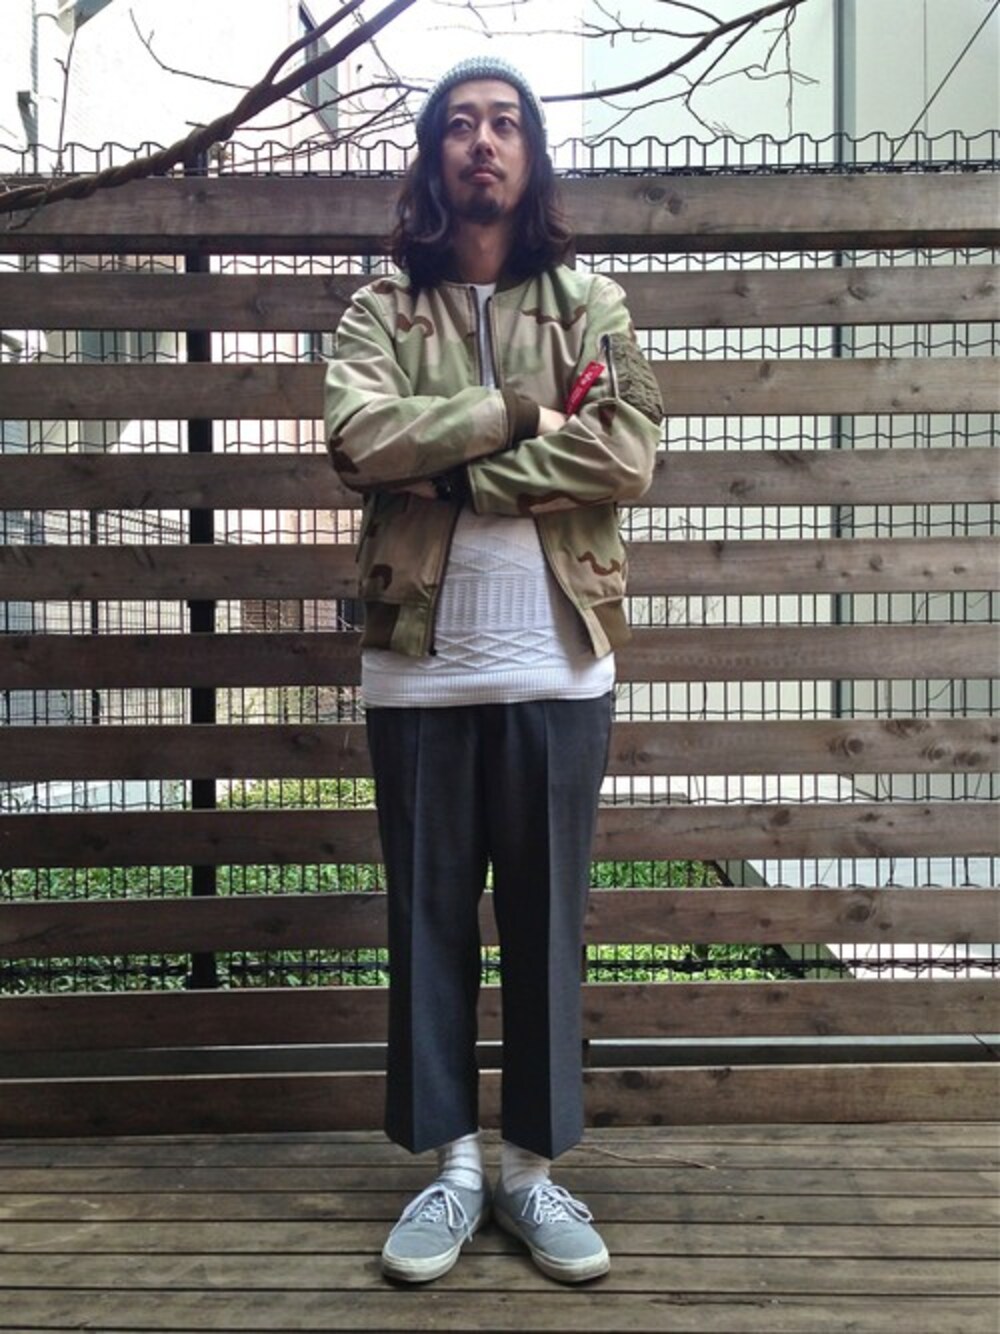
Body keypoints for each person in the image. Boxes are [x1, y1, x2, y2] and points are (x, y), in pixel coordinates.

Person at [324, 55, 662, 1286]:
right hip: (417, 671)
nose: (482, 140)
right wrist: (521, 414)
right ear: (432, 156)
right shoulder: (379, 310)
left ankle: (529, 1168)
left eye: (504, 122)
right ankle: (453, 1167)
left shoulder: (591, 302)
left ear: (530, 155)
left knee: (544, 926)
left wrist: (453, 471)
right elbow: (358, 438)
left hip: (558, 666)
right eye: (459, 123)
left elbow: (624, 452)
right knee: (425, 926)